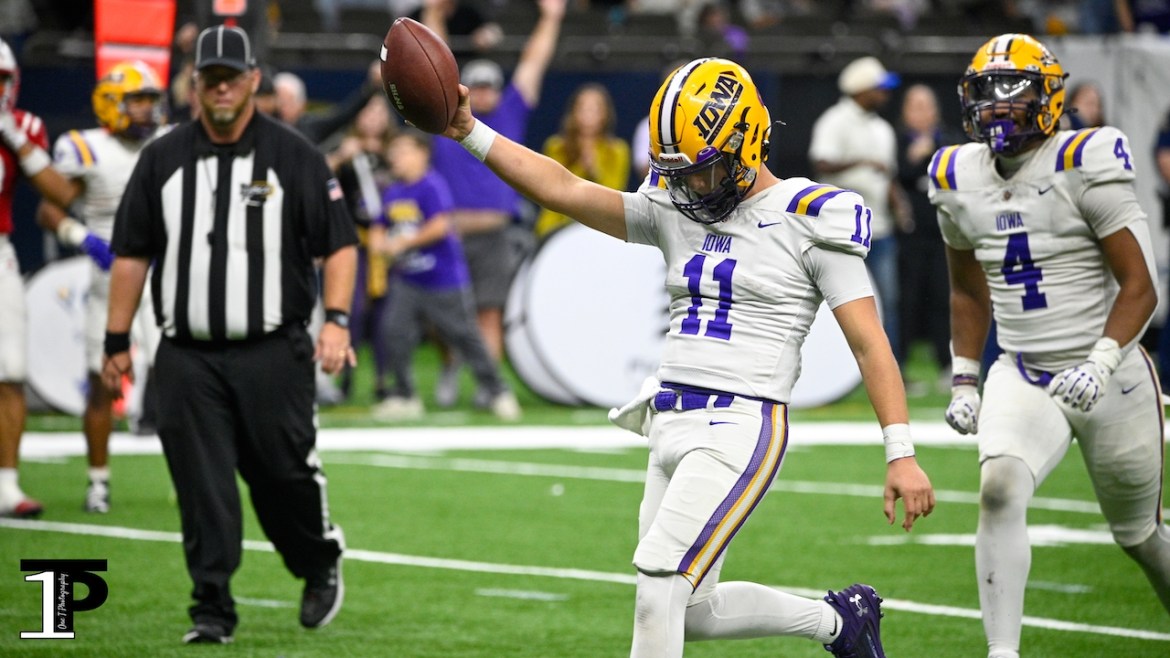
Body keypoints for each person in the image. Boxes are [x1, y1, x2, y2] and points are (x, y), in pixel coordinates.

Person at [442, 56, 935, 657]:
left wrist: (901, 452)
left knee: (658, 590)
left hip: (740, 423)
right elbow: (564, 188)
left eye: (706, 170)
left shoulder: (810, 218)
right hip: (668, 418)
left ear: (748, 140)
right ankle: (839, 623)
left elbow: (869, 342)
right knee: (692, 611)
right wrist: (470, 131)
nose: (693, 187)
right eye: (680, 172)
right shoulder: (676, 203)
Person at [101, 26, 357, 644]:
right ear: (194, 85)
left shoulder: (294, 155)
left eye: (230, 77)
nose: (220, 89)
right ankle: (211, 605)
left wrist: (337, 321)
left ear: (250, 82)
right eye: (208, 78)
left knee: (282, 476)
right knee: (201, 484)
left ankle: (316, 560)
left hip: (272, 350)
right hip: (186, 354)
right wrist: (115, 340)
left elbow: (340, 243)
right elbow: (132, 253)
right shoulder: (161, 158)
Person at [932, 34, 1170, 658]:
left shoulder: (1083, 161)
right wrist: (964, 377)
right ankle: (1002, 652)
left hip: (1110, 377)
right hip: (1024, 370)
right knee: (999, 490)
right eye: (986, 93)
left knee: (1139, 536)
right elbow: (967, 290)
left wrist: (1101, 359)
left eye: (1014, 93)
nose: (997, 107)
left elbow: (1141, 287)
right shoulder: (956, 175)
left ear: (1048, 98)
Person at [34, 60, 169, 513]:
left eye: (151, 101)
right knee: (102, 380)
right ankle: (98, 481)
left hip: (163, 271)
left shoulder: (166, 143)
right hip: (109, 277)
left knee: (177, 375)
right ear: (112, 105)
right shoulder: (86, 148)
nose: (148, 111)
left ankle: (186, 476)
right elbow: (49, 210)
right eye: (139, 102)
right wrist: (83, 238)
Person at [425, 0, 564, 400]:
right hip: (448, 232)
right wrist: (435, 15)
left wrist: (551, 17)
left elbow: (533, 64)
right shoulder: (448, 113)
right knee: (440, 315)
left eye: (490, 87)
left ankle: (488, 386)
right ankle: (450, 369)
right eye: (477, 86)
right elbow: (433, 62)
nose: (484, 94)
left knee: (489, 312)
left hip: (492, 231)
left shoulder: (509, 114)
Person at [370, 129, 521, 421]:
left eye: (402, 151)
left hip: (443, 280)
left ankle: (497, 390)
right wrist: (378, 242)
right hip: (408, 279)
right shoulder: (394, 190)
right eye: (393, 152)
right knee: (394, 332)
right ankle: (405, 395)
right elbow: (379, 223)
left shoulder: (432, 185)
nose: (395, 158)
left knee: (465, 336)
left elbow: (440, 225)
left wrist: (403, 242)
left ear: (422, 154)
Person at [0, 36, 78, 518]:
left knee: (11, 372)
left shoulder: (24, 125)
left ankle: (6, 485)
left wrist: (10, 132)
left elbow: (61, 192)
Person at [809, 56, 905, 363]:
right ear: (861, 89)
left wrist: (898, 203)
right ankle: (836, 369)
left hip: (880, 228)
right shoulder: (834, 120)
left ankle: (889, 366)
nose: (884, 94)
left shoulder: (883, 128)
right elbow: (821, 162)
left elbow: (887, 174)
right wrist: (862, 161)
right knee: (840, 302)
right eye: (878, 88)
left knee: (887, 300)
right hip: (842, 231)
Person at [895, 83, 959, 389]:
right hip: (909, 234)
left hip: (943, 233)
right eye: (914, 106)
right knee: (906, 301)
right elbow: (897, 175)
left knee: (942, 298)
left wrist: (929, 152)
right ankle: (900, 368)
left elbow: (959, 171)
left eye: (926, 105)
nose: (921, 113)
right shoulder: (894, 140)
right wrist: (911, 158)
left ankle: (948, 365)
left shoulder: (948, 140)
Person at [534, 83, 630, 239]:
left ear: (605, 114)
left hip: (600, 231)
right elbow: (553, 189)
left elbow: (615, 195)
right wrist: (580, 166)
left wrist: (594, 171)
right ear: (573, 112)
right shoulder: (556, 147)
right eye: (583, 108)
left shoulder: (617, 150)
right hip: (555, 230)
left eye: (595, 109)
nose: (588, 114)